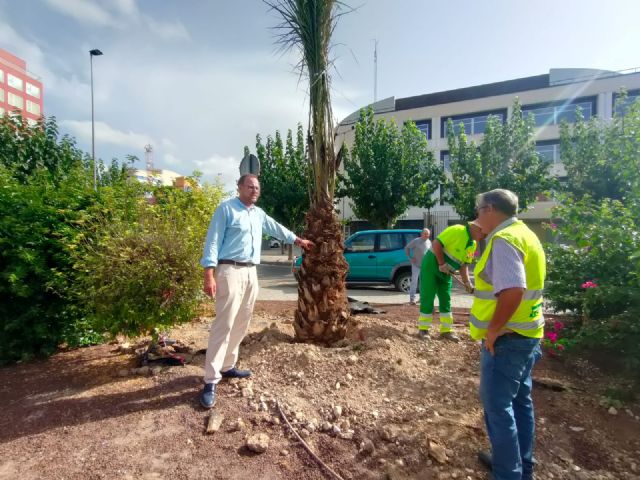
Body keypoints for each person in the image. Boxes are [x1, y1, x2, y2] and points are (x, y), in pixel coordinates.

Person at [199, 174, 313, 409]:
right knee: (224, 324)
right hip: (229, 269)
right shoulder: (226, 209)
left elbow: (276, 228)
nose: (254, 190)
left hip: (252, 272)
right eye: (250, 186)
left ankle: (228, 366)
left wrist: (298, 240)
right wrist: (208, 274)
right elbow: (213, 241)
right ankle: (210, 380)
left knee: (242, 321)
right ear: (239, 187)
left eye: (257, 187)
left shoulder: (258, 213)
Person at [470, 189, 545, 480]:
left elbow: (513, 290)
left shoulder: (503, 240)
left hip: (507, 339)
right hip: (527, 335)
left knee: (498, 408)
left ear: (490, 208)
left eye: (478, 210)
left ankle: (507, 473)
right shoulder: (524, 232)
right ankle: (520, 467)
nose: (476, 217)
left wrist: (492, 331)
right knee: (519, 403)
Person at [417, 221, 485, 341]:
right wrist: (441, 263)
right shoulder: (456, 230)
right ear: (476, 228)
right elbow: (436, 244)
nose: (484, 235)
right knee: (428, 297)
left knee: (446, 299)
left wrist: (467, 283)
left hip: (446, 272)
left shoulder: (473, 244)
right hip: (431, 266)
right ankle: (423, 329)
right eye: (483, 233)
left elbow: (464, 265)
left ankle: (446, 331)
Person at [405, 228, 432, 305]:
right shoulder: (416, 241)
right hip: (416, 265)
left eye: (428, 234)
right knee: (414, 281)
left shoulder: (429, 242)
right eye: (425, 234)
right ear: (421, 234)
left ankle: (421, 298)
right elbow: (407, 247)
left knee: (423, 282)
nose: (427, 235)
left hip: (425, 265)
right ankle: (412, 299)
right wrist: (410, 257)